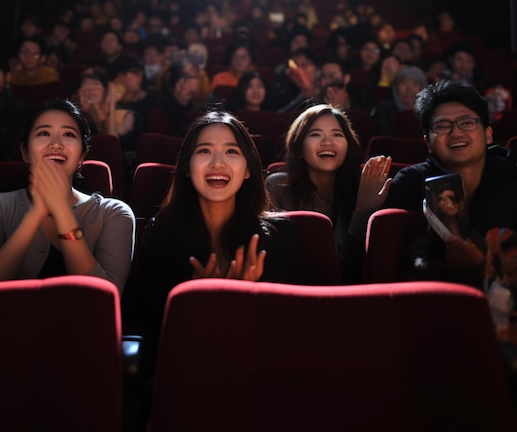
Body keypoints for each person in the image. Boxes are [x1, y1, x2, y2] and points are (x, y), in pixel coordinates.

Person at [139, 110, 301, 372]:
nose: (217, 163)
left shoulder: (281, 236)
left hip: (260, 373)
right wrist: (192, 307)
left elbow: (291, 332)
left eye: (231, 152)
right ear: (187, 170)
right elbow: (149, 328)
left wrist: (245, 303)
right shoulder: (160, 233)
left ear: (248, 169)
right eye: (204, 151)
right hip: (185, 370)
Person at [0, 98, 135, 294]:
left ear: (82, 156)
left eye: (68, 134)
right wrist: (37, 212)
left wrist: (61, 209)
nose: (56, 144)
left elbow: (103, 299)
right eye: (44, 133)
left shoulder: (113, 213)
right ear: (25, 152)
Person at [383, 80, 517, 283]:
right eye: (442, 126)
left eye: (467, 123)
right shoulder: (410, 183)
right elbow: (398, 266)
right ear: (428, 142)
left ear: (488, 135)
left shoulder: (512, 178)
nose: (456, 132)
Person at [265, 103, 392, 282]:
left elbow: (355, 269)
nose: (328, 142)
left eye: (337, 135)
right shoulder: (277, 187)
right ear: (299, 149)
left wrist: (362, 212)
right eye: (316, 134)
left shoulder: (364, 188)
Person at [370, 65, 427, 136]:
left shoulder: (427, 112)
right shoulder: (383, 109)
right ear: (395, 87)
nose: (408, 89)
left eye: (414, 84)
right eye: (403, 83)